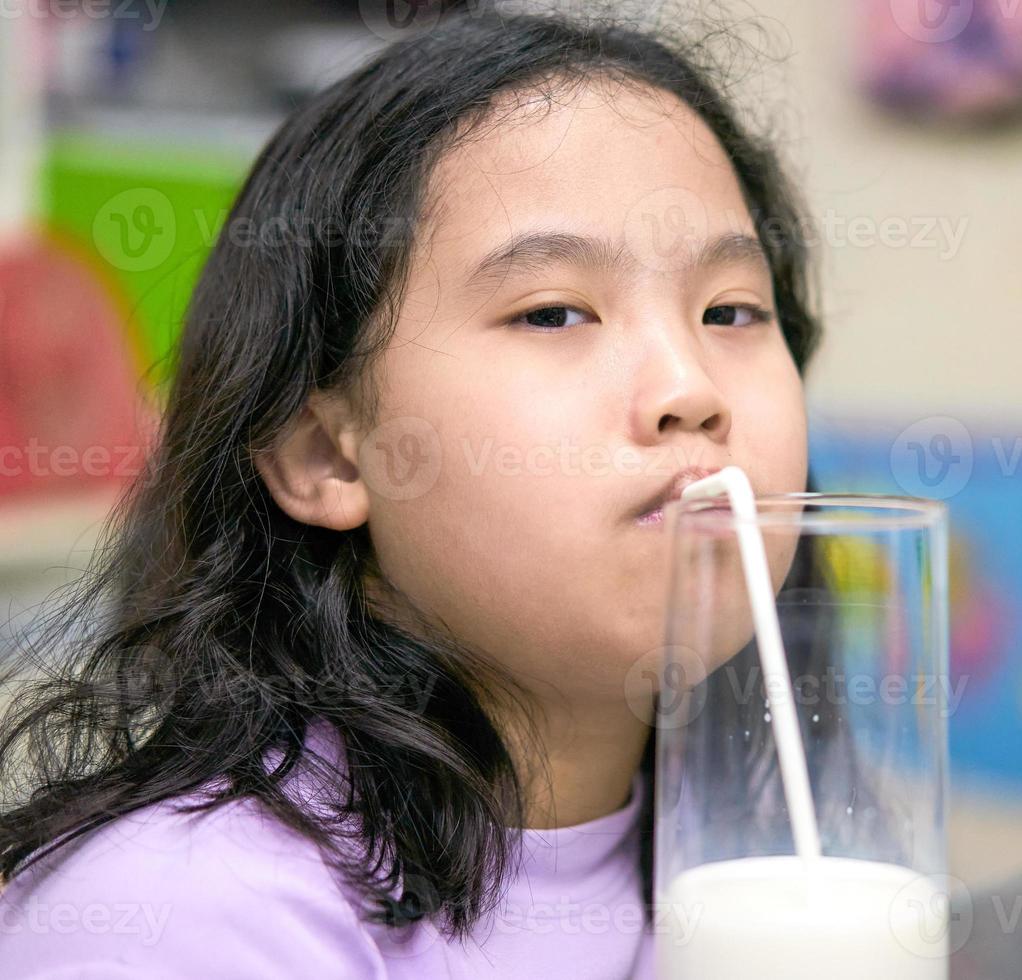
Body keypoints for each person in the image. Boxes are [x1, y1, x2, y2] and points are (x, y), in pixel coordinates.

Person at [0, 9, 820, 977]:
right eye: (553, 311)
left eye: (731, 309)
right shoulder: (180, 919)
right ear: (327, 457)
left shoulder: (778, 882)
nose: (691, 389)